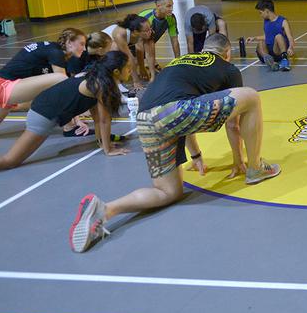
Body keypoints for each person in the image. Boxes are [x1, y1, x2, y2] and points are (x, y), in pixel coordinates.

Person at [69, 34, 282, 253]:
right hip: (173, 111)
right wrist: (240, 161)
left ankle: (105, 210)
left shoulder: (182, 61)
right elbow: (232, 125)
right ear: (227, 54)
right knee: (251, 97)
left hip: (145, 119)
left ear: (203, 51)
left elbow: (181, 103)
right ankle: (256, 168)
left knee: (168, 192)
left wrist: (197, 156)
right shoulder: (228, 69)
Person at [0, 51, 130, 178]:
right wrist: (108, 150)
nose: (130, 70)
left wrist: (103, 143)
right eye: (128, 68)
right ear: (116, 71)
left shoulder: (97, 78)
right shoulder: (101, 85)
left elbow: (96, 116)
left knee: (10, 160)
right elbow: (103, 121)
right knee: (10, 161)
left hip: (43, 108)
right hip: (42, 115)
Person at [0, 28, 86, 141]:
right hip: (2, 87)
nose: (84, 48)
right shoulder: (56, 53)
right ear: (69, 42)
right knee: (61, 79)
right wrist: (76, 118)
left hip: (2, 90)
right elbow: (63, 87)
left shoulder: (53, 51)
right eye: (81, 44)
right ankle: (69, 127)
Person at [103, 14, 153, 89]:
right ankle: (116, 82)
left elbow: (139, 51)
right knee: (117, 49)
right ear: (136, 32)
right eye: (146, 31)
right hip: (101, 52)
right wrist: (136, 81)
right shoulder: (120, 34)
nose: (150, 32)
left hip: (112, 48)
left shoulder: (137, 32)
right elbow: (129, 58)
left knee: (134, 61)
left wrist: (142, 68)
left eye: (150, 29)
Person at [140, 0, 181, 76]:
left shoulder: (171, 18)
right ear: (158, 6)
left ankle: (151, 64)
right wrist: (142, 68)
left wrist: (178, 62)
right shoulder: (146, 18)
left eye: (172, 5)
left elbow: (175, 41)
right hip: (132, 46)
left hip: (147, 45)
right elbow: (138, 45)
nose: (171, 9)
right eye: (168, 6)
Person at [252, 0, 294, 71]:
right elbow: (267, 36)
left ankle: (284, 60)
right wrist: (254, 38)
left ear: (267, 11)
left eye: (260, 13)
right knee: (261, 42)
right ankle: (270, 61)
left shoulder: (283, 21)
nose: (260, 15)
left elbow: (290, 37)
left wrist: (290, 47)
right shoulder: (266, 21)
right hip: (268, 52)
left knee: (279, 36)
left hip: (277, 51)